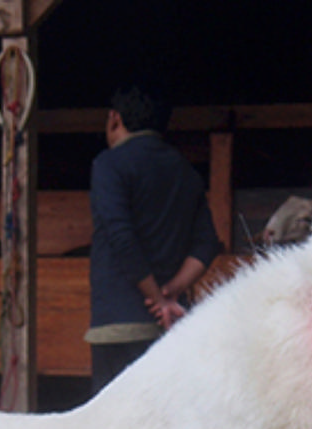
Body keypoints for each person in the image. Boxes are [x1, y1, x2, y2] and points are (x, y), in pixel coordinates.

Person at [85, 82, 223, 393]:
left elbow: (121, 237)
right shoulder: (185, 171)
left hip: (119, 323)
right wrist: (171, 293)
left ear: (114, 119)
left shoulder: (109, 165)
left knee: (114, 427)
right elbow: (206, 243)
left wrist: (157, 298)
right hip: (171, 328)